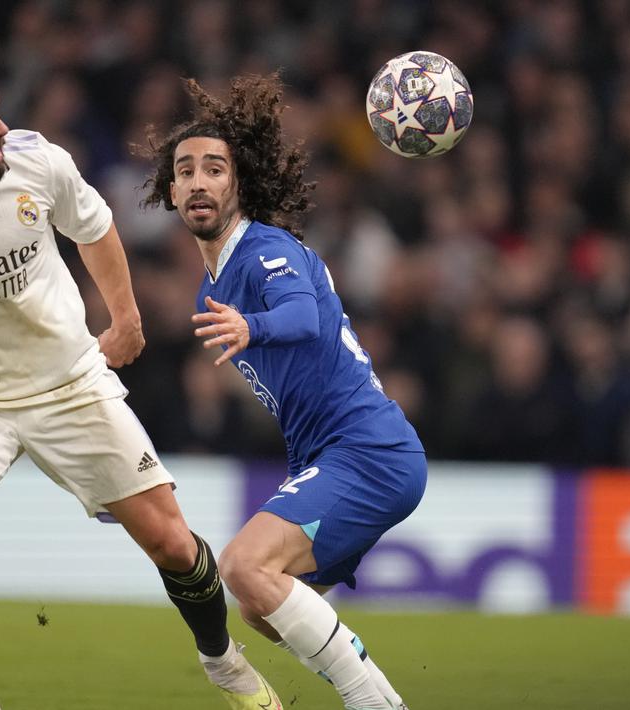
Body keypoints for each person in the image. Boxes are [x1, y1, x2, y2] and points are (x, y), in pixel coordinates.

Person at [0, 55, 281, 710]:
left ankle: (221, 659)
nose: (0, 126)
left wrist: (123, 317)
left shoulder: (36, 161)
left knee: (172, 544)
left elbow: (91, 228)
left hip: (69, 380)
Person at [139, 73, 428, 710]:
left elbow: (302, 319)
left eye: (215, 168)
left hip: (368, 450)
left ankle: (372, 704)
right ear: (169, 190)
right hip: (334, 456)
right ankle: (379, 697)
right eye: (183, 171)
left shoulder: (266, 251)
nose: (197, 181)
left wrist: (253, 325)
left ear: (238, 184)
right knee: (257, 608)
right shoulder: (211, 285)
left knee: (243, 564)